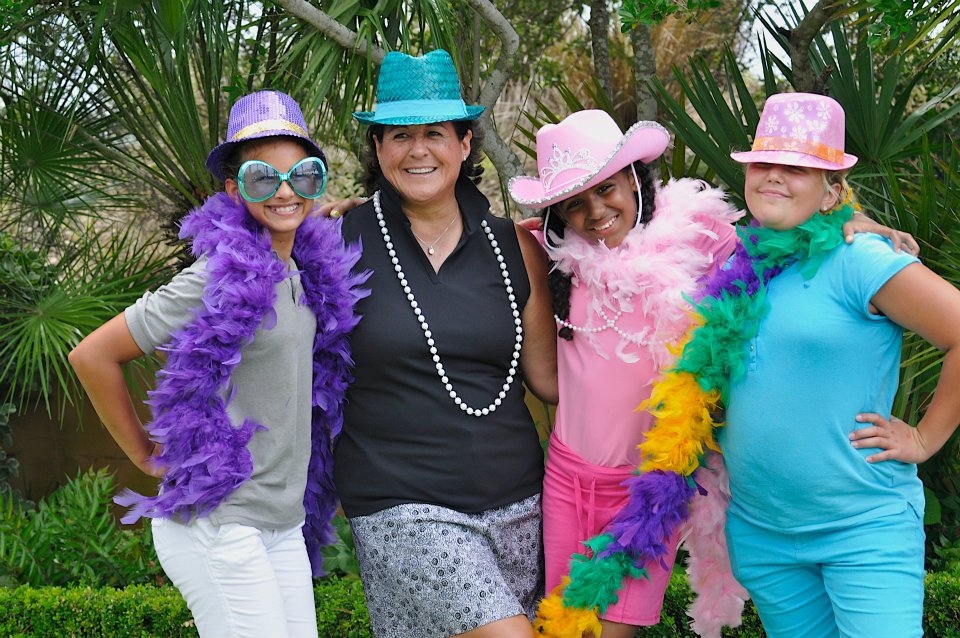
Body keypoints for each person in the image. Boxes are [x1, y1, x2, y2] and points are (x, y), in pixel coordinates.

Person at [506, 109, 922, 638]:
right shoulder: (553, 250)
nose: (596, 211)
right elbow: (469, 236)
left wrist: (843, 219)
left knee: (614, 631)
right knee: (560, 627)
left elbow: (776, 245)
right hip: (568, 475)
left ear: (634, 179)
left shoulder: (697, 236)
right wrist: (369, 216)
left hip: (650, 489)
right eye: (575, 203)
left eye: (607, 189)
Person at [643, 92, 960, 638]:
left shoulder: (861, 260)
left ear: (832, 188)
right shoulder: (736, 260)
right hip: (764, 536)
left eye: (798, 168)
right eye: (764, 163)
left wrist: (926, 439)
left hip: (862, 528)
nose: (774, 177)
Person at [69, 90, 368, 638]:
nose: (284, 190)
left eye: (302, 175)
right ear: (234, 189)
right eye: (262, 178)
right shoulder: (215, 277)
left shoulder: (306, 270)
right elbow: (91, 355)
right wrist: (141, 451)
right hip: (219, 520)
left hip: (282, 522)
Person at [333, 49, 558, 638]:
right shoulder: (333, 244)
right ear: (378, 150)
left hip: (518, 503)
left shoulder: (517, 246)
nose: (417, 150)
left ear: (464, 144)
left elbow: (551, 381)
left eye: (435, 132)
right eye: (399, 135)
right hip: (399, 503)